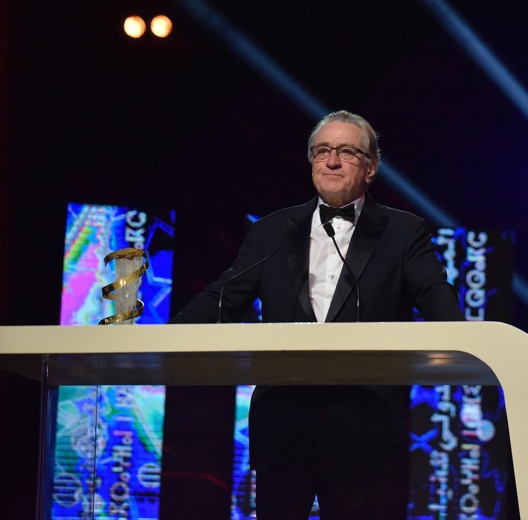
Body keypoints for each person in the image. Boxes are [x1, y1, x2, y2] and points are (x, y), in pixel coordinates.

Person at [170, 110, 464, 519]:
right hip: (282, 424)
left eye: (347, 151)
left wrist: (470, 341)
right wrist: (166, 336)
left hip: (364, 428)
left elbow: (437, 300)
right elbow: (223, 297)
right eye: (322, 151)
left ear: (371, 167)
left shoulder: (403, 233)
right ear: (311, 162)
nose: (332, 161)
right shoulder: (271, 231)